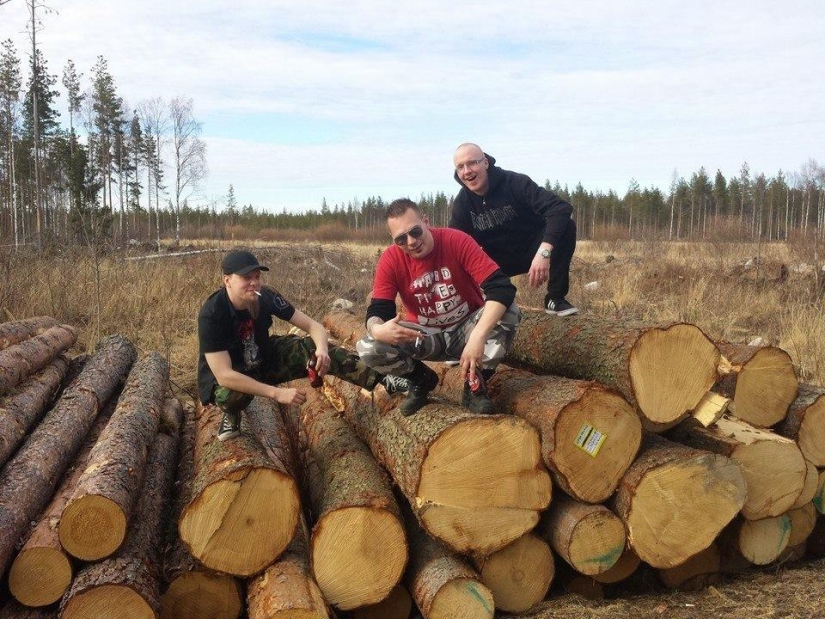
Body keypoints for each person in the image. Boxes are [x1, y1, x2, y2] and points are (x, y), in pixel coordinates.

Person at [198, 249, 406, 441]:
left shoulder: (266, 297)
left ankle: (383, 378)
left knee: (311, 347)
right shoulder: (213, 314)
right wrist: (277, 393)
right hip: (232, 374)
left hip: (263, 358)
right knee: (229, 394)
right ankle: (231, 414)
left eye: (257, 277)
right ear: (227, 281)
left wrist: (322, 351)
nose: (254, 283)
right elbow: (224, 374)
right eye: (246, 278)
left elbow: (313, 326)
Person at [356, 198, 521, 417]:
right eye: (401, 239)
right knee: (368, 346)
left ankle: (474, 385)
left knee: (509, 311)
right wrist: (378, 329)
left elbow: (501, 288)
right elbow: (378, 309)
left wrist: (478, 335)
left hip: (465, 329)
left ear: (426, 221)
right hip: (424, 336)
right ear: (393, 239)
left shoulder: (456, 240)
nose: (411, 241)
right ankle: (420, 380)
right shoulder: (390, 259)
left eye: (415, 231)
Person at [450, 142, 579, 316]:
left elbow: (560, 208)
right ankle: (480, 306)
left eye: (472, 163)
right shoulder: (463, 203)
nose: (467, 171)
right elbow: (453, 244)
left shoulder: (514, 183)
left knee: (567, 227)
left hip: (533, 251)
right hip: (496, 263)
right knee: (456, 256)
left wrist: (544, 252)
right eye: (460, 167)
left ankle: (555, 299)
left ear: (486, 163)